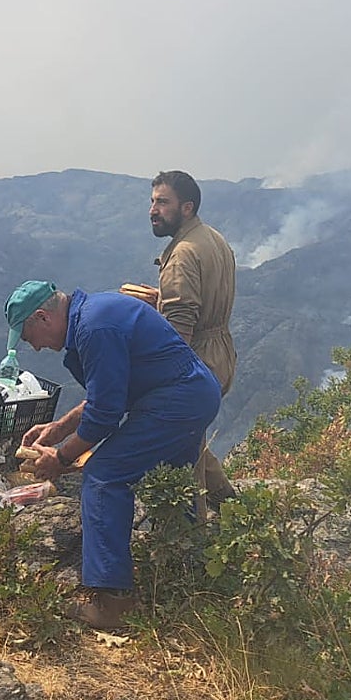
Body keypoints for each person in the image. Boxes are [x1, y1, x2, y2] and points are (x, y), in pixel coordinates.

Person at [9, 281, 221, 630]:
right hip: (189, 395)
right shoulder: (93, 317)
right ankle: (184, 576)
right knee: (170, 481)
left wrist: (60, 460)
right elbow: (107, 394)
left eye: (28, 335)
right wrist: (59, 429)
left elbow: (105, 414)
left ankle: (112, 603)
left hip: (176, 401)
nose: (34, 346)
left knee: (104, 476)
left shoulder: (95, 328)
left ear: (43, 317)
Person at [121, 170, 238, 508]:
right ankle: (231, 505)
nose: (153, 210)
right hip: (223, 352)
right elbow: (202, 299)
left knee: (178, 453)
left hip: (198, 356)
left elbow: (180, 328)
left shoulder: (182, 254)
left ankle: (191, 539)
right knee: (192, 438)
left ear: (186, 207)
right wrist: (161, 299)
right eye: (152, 201)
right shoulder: (212, 238)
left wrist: (159, 381)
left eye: (163, 202)